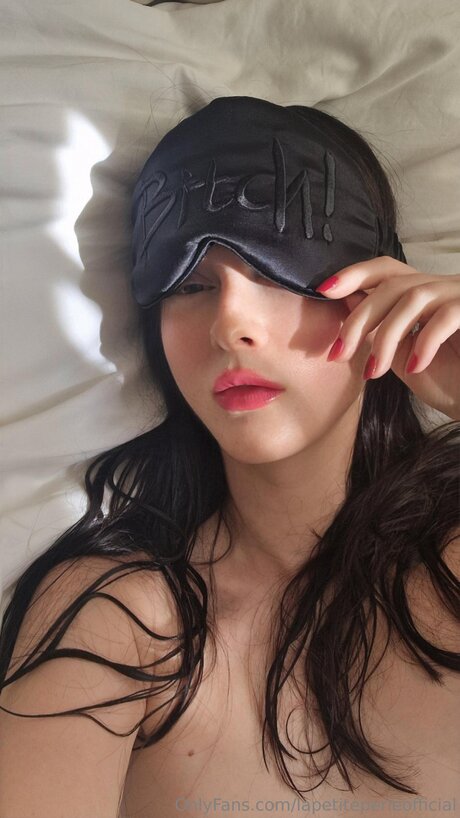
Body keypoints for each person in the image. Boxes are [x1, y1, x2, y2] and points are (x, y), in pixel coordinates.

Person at [0, 96, 459, 818]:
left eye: (278, 268)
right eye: (190, 286)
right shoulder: (124, 619)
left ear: (383, 292)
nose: (230, 322)